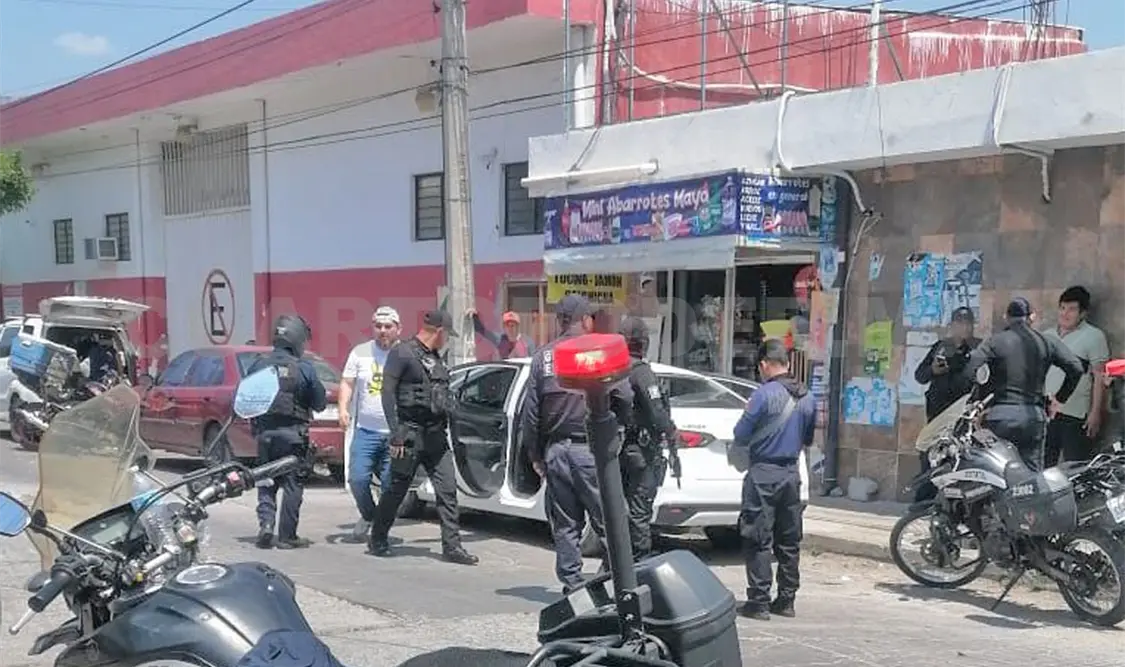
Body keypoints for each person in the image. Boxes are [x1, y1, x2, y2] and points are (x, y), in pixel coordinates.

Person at [522, 294, 633, 593]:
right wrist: (617, 429)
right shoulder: (597, 350)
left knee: (566, 525)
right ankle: (612, 583)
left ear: (560, 321)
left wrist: (535, 454)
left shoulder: (543, 357)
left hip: (556, 452)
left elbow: (530, 412)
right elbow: (626, 397)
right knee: (609, 519)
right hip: (592, 451)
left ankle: (572, 587)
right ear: (586, 320)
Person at [367, 310, 478, 565]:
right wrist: (395, 434)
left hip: (436, 436)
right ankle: (378, 537)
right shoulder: (402, 352)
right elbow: (387, 393)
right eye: (447, 335)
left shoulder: (435, 357)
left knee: (447, 490)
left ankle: (452, 547)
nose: (447, 339)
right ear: (439, 331)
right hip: (410, 433)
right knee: (397, 489)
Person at [731, 339, 816, 621]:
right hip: (791, 474)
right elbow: (808, 439)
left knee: (758, 538)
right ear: (788, 364)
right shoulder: (808, 397)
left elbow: (741, 432)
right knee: (789, 540)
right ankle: (787, 600)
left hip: (763, 474)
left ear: (765, 365)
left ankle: (758, 601)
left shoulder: (763, 395)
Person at [963, 297, 1085, 469]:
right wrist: (1059, 399)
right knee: (1032, 475)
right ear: (1031, 317)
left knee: (997, 470)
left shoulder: (994, 342)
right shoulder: (1046, 341)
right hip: (1033, 417)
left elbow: (970, 369)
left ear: (1006, 317)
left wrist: (980, 400)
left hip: (999, 416)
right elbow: (1076, 368)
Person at [248, 314, 327, 550]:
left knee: (265, 481)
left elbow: (244, 399)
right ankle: (287, 536)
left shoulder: (259, 364)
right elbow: (320, 403)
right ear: (298, 339)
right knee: (293, 484)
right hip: (294, 436)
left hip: (265, 435)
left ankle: (266, 525)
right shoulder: (304, 369)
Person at [619, 316, 681, 561]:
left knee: (623, 512)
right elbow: (657, 411)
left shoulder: (616, 371)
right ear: (642, 343)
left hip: (621, 451)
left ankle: (616, 564)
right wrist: (671, 431)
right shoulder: (641, 373)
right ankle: (639, 564)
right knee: (639, 512)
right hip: (642, 453)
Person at [339, 306, 402, 542]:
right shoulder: (360, 353)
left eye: (388, 327)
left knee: (390, 485)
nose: (383, 331)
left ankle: (380, 531)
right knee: (357, 479)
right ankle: (369, 514)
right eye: (378, 326)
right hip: (365, 431)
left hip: (395, 434)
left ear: (398, 329)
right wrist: (343, 409)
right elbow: (347, 382)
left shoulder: (405, 354)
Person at [912, 307, 981, 500]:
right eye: (960, 323)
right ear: (952, 325)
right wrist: (933, 369)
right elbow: (920, 375)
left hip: (963, 416)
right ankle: (924, 502)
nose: (964, 327)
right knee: (930, 457)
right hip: (937, 414)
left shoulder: (979, 348)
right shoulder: (941, 346)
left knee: (958, 461)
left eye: (968, 323)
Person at [1043, 286, 1110, 466]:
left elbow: (1099, 377)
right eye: (1062, 308)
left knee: (1075, 467)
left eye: (1072, 309)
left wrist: (1095, 413)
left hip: (1076, 415)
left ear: (1083, 313)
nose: (1065, 314)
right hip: (1047, 412)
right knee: (1043, 467)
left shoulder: (1094, 337)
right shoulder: (1047, 336)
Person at [466, 308, 536, 359]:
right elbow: (482, 331)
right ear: (504, 327)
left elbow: (533, 363)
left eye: (512, 325)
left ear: (518, 326)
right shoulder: (500, 340)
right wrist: (474, 316)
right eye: (507, 325)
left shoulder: (527, 342)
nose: (510, 328)